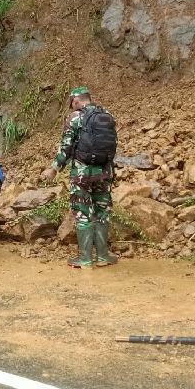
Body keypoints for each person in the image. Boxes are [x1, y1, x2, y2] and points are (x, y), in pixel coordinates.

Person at [51, 86, 118, 268]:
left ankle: (85, 259)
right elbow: (112, 144)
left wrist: (54, 168)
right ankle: (103, 256)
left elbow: (66, 147)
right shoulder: (108, 115)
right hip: (105, 173)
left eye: (72, 103)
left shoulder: (75, 117)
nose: (72, 107)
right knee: (102, 212)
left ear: (77, 100)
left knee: (83, 212)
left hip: (82, 174)